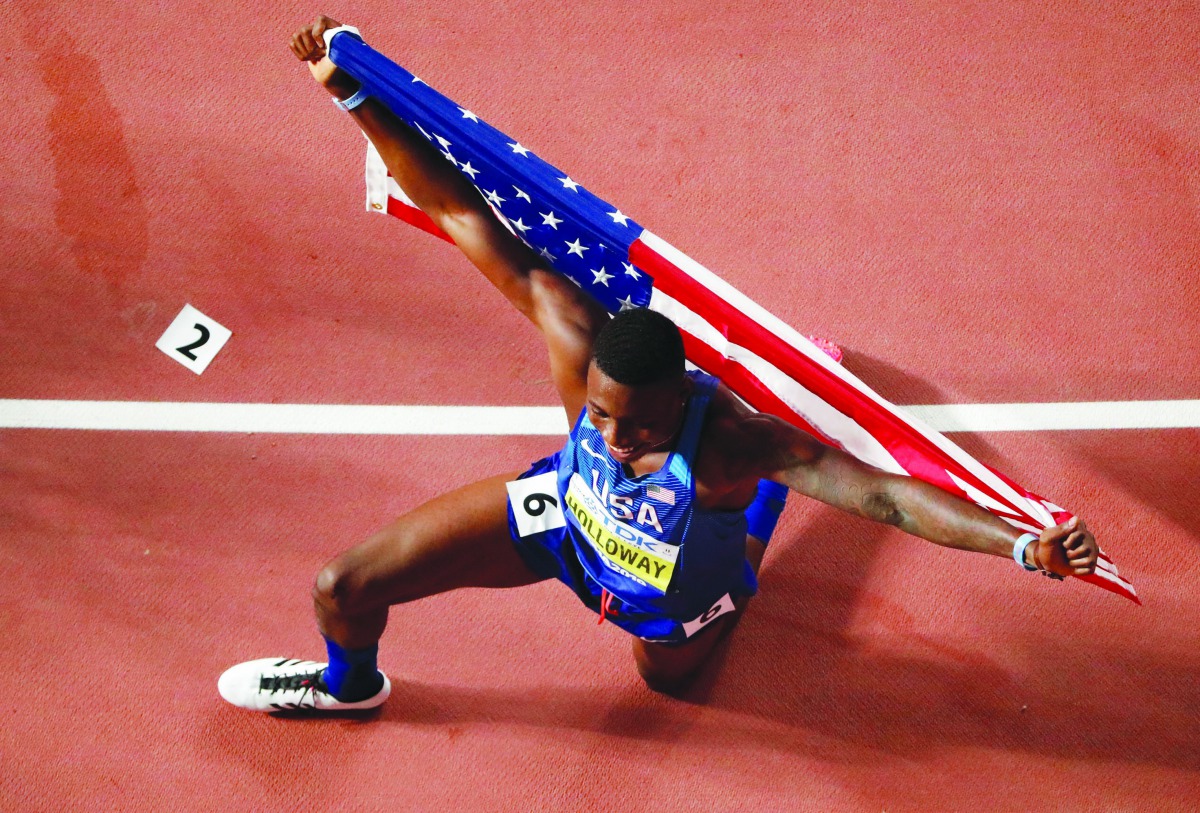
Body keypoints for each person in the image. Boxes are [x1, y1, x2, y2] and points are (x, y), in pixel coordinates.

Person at [218, 16, 1100, 712]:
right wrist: (351, 98)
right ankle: (348, 688)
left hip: (671, 582)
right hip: (563, 516)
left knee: (668, 684)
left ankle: (752, 524)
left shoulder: (729, 440)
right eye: (600, 413)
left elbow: (885, 495)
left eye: (635, 423)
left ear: (682, 395)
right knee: (342, 585)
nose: (614, 432)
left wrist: (1023, 543)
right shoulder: (578, 344)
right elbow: (461, 214)